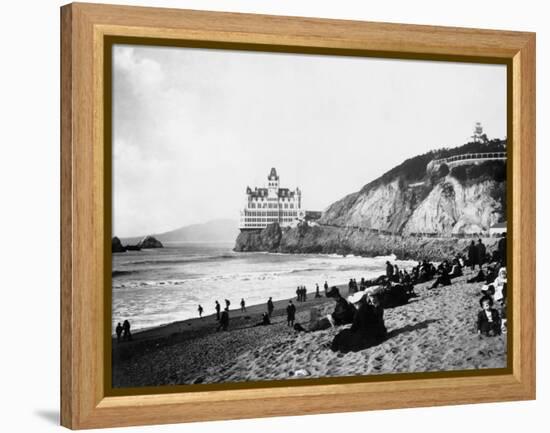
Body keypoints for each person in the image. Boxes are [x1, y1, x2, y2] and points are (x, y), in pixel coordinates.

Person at [330, 288, 387, 353]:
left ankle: (333, 347)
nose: (354, 306)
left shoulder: (359, 312)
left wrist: (347, 329)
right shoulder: (372, 307)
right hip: (379, 334)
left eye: (355, 304)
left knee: (343, 334)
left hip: (367, 337)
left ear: (358, 303)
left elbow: (354, 329)